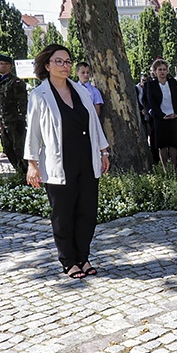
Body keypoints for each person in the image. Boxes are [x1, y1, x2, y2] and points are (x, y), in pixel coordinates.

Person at [25, 44, 110, 279]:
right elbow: (32, 132)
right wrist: (32, 164)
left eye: (68, 61)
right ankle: (68, 260)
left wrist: (104, 151)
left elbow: (94, 122)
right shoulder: (39, 95)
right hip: (58, 162)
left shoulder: (81, 91)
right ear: (47, 65)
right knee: (63, 214)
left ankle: (83, 256)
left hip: (86, 157)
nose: (65, 66)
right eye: (59, 61)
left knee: (87, 212)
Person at [146, 58, 177, 173]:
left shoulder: (172, 82)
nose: (162, 72)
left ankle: (174, 169)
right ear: (155, 71)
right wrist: (161, 116)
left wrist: (176, 113)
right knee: (162, 144)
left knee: (173, 144)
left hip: (173, 116)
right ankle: (166, 169)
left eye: (164, 69)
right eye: (159, 69)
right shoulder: (151, 85)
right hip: (160, 118)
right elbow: (152, 102)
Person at [0, 55, 29, 174]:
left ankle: (26, 172)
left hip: (15, 121)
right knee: (7, 148)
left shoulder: (16, 82)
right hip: (4, 122)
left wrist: (20, 119)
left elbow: (22, 103)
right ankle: (18, 171)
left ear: (9, 66)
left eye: (1, 63)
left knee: (19, 148)